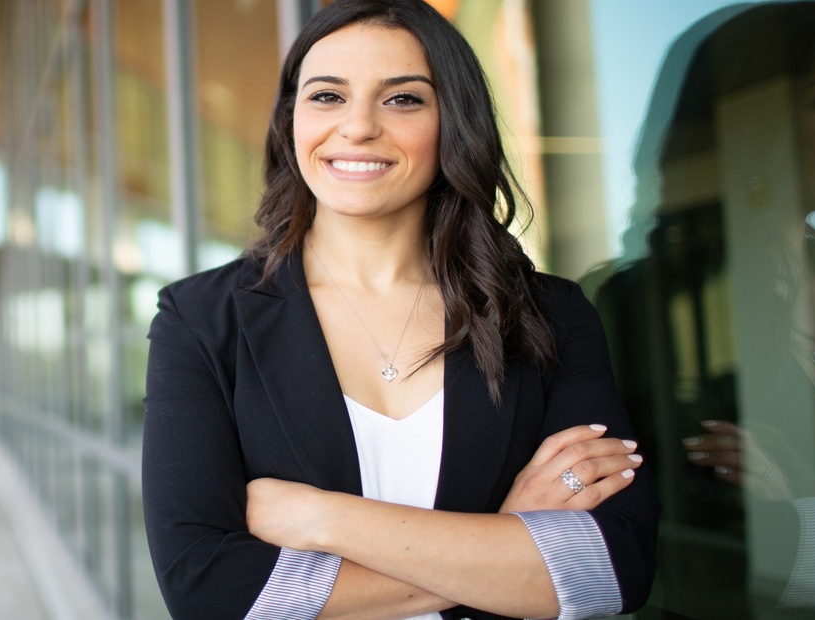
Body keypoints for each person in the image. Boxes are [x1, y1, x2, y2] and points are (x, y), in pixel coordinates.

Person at [141, 1, 659, 619]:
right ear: (291, 121)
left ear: (453, 121)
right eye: (327, 96)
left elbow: (612, 570)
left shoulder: (549, 313)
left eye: (403, 99)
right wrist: (506, 538)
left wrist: (323, 519)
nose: (357, 127)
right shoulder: (200, 319)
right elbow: (209, 593)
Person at [592, 2, 815, 615]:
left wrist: (812, 513)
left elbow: (785, 532)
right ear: (748, 117)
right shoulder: (652, 307)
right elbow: (705, 549)